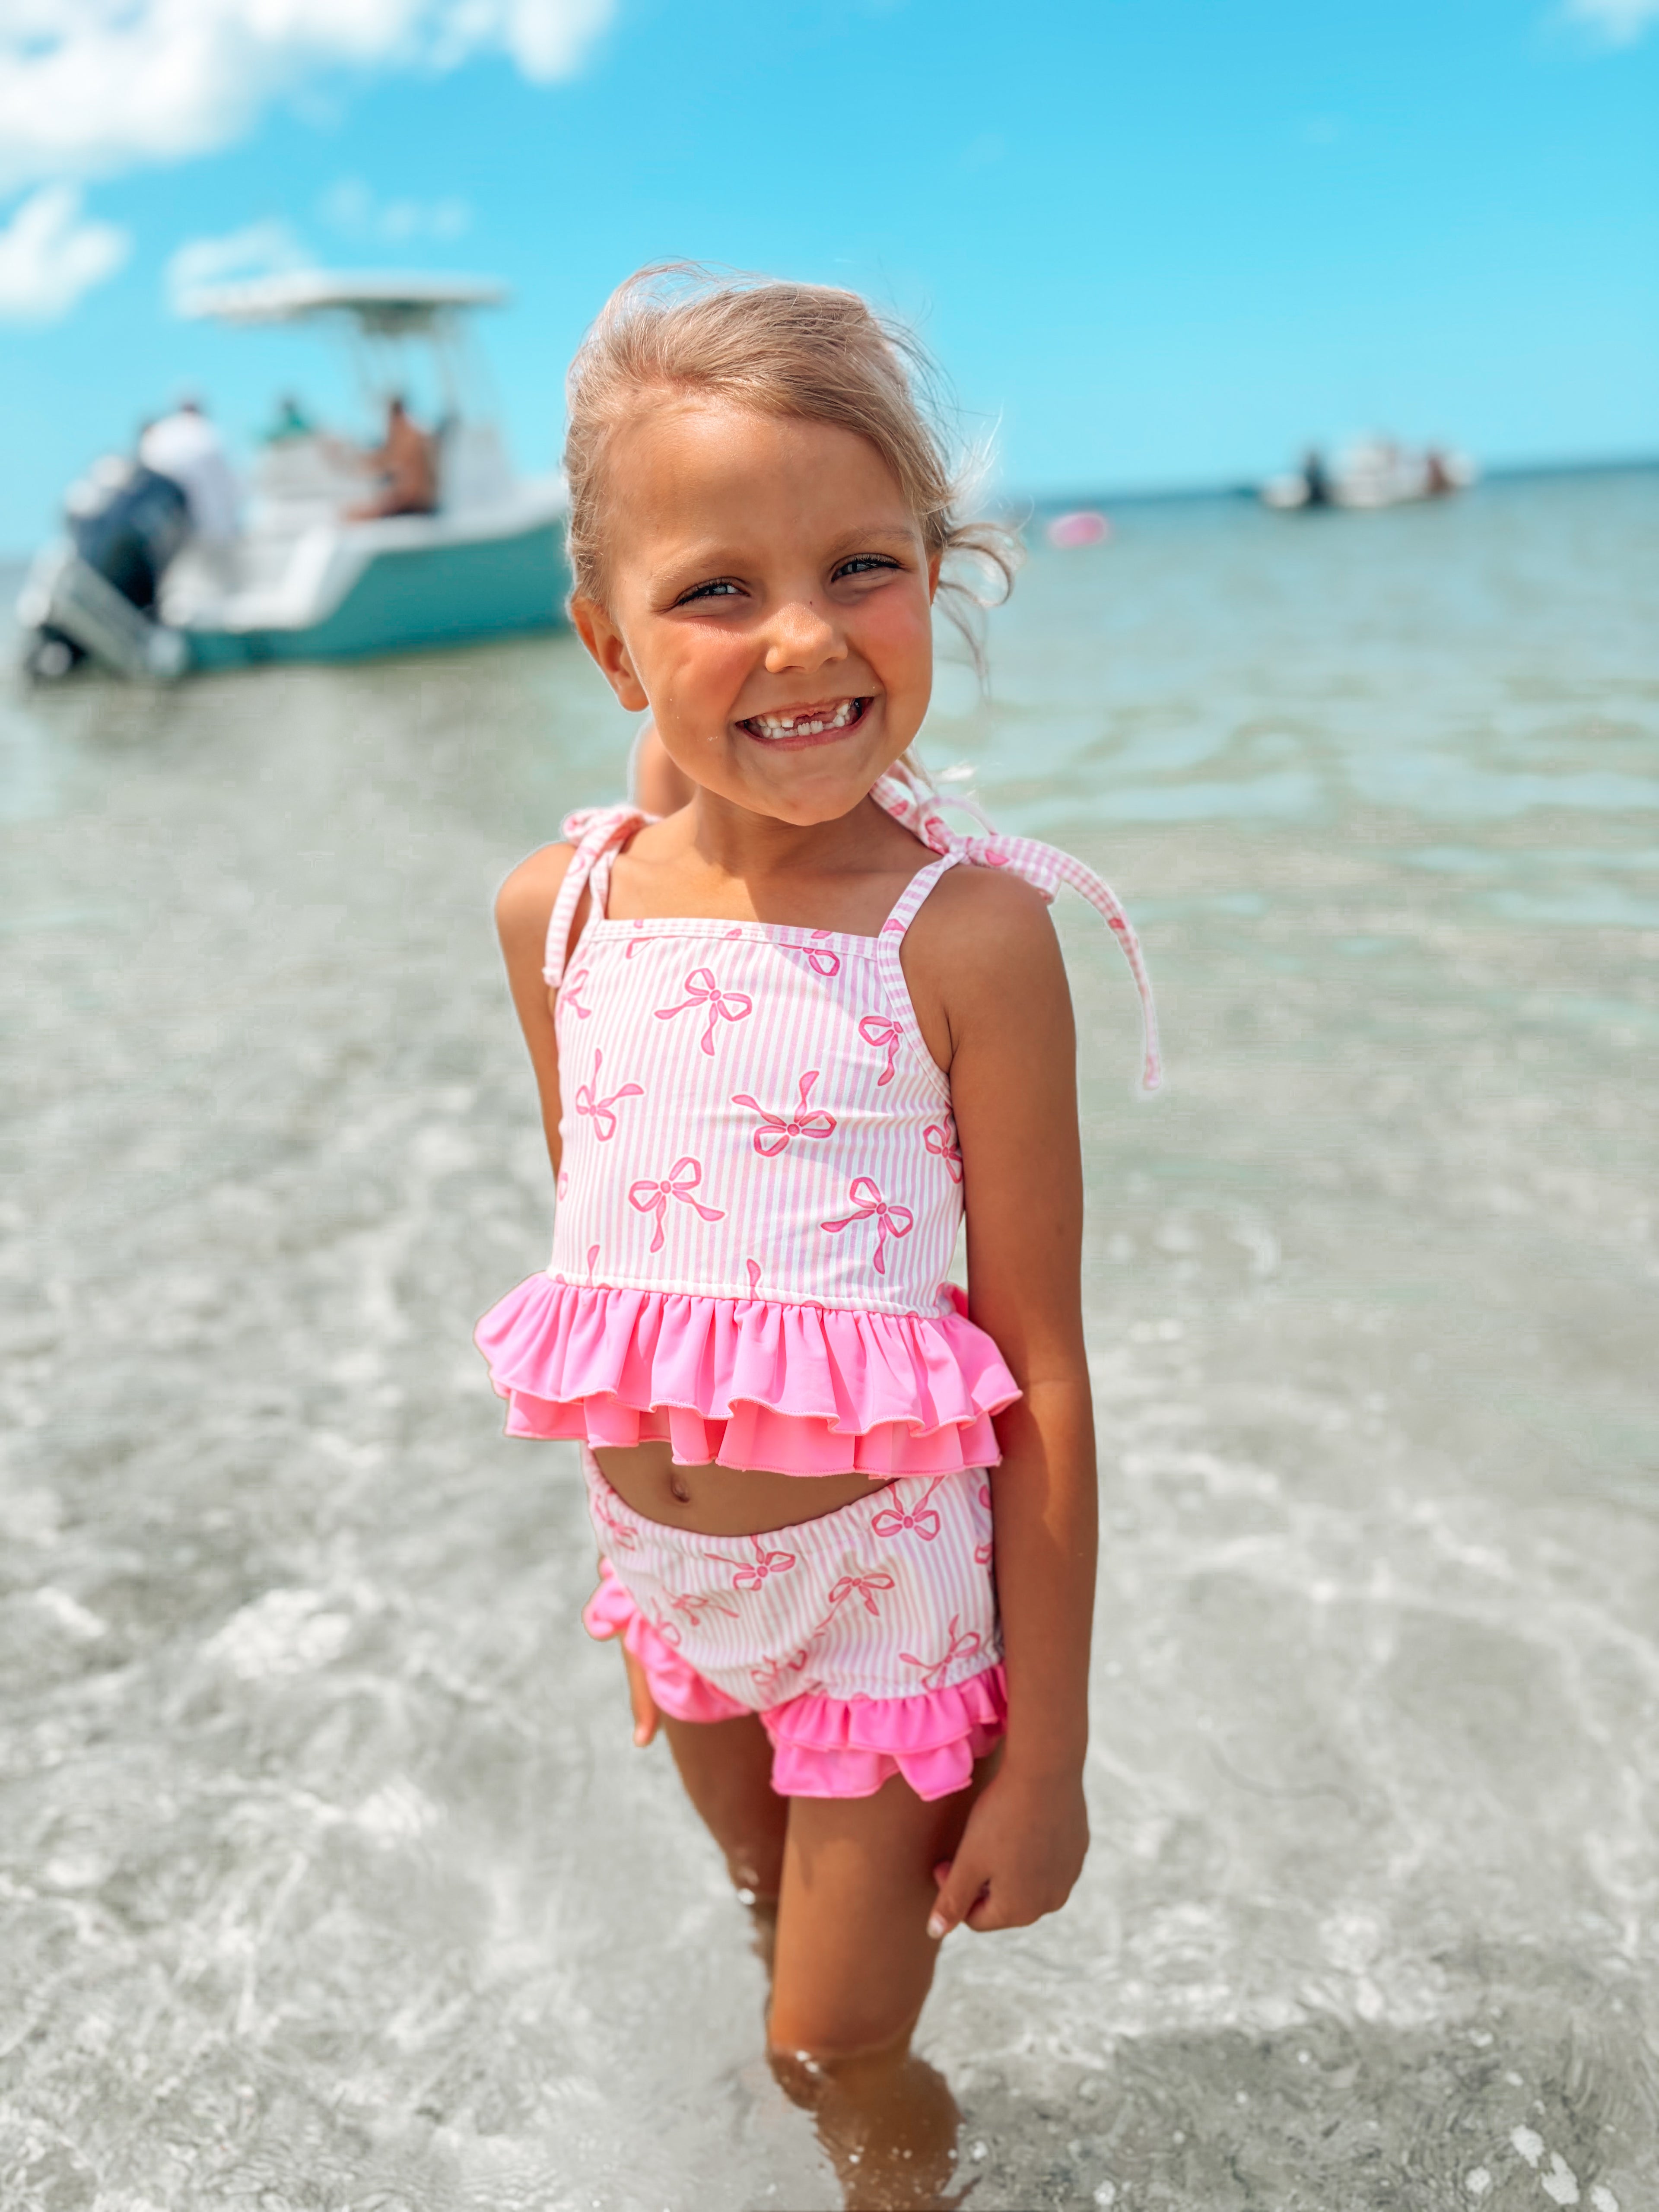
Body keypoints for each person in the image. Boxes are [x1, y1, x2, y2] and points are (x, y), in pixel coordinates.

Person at [476, 267, 1160, 2209]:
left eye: (861, 565)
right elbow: (613, 1275)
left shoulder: (959, 935)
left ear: (936, 578)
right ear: (608, 644)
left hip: (883, 1601)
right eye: (711, 591)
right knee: (764, 1908)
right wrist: (649, 1604)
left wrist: (1046, 1754)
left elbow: (1039, 1361)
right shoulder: (562, 912)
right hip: (673, 1597)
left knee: (831, 2034)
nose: (801, 637)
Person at [138, 396, 240, 552]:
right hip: (213, 532)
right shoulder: (210, 433)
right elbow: (231, 486)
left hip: (166, 535)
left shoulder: (161, 433)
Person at [344, 395, 436, 520]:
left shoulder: (406, 436)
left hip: (417, 502)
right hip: (417, 499)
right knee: (354, 512)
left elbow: (392, 463)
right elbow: (388, 460)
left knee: (354, 515)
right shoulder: (410, 434)